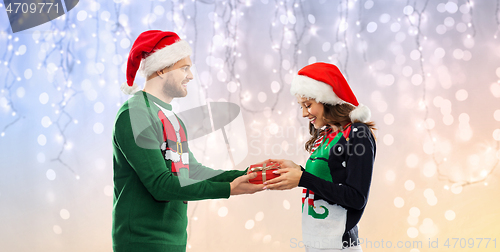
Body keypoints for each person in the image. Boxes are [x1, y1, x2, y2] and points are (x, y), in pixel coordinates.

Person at [112, 30, 263, 252]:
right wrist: (228, 189)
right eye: (184, 68)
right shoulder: (135, 115)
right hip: (142, 243)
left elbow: (192, 171)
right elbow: (160, 185)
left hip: (174, 241)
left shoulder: (173, 120)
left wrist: (249, 174)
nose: (190, 76)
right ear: (161, 69)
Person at [263, 63, 376, 251]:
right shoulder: (326, 135)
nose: (304, 113)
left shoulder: (358, 133)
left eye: (308, 105)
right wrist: (298, 171)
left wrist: (302, 178)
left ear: (328, 100)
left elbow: (356, 197)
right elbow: (327, 181)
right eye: (301, 106)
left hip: (339, 245)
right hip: (317, 242)